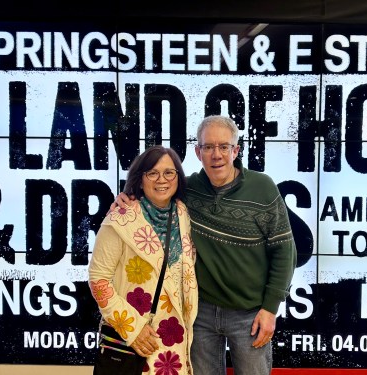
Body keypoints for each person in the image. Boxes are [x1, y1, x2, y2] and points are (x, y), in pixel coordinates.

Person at [113, 115, 297, 375]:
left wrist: (270, 309)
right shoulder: (187, 190)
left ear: (236, 150)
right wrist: (127, 196)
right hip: (200, 313)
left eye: (224, 146)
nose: (216, 154)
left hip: (249, 314)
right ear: (198, 152)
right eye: (208, 147)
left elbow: (284, 251)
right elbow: (154, 191)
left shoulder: (263, 188)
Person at [89, 145, 198, 375]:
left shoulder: (183, 214)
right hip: (135, 340)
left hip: (174, 346)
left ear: (178, 177)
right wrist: (132, 328)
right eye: (152, 173)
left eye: (169, 172)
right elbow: (99, 280)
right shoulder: (119, 219)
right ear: (140, 179)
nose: (162, 179)